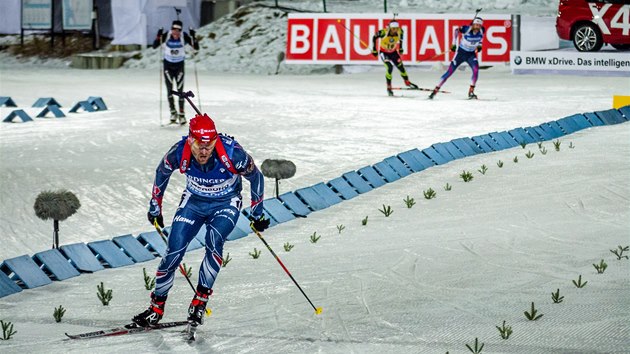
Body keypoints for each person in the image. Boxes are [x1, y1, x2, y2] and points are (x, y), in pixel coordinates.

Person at [133, 113, 270, 328]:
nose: (204, 151)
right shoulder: (179, 151)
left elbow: (257, 177)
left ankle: (199, 302)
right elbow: (162, 173)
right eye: (199, 146)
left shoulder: (233, 153)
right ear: (190, 140)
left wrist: (257, 213)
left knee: (214, 240)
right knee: (173, 251)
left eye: (209, 145)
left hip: (226, 203)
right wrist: (155, 206)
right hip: (194, 202)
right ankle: (156, 309)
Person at [153, 20, 200, 125]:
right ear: (171, 29)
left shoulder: (184, 36)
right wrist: (158, 35)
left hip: (179, 66)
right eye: (174, 29)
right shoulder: (166, 36)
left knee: (180, 91)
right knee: (170, 90)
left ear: (181, 30)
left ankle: (182, 114)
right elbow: (155, 45)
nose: (176, 32)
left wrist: (193, 36)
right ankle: (173, 113)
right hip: (168, 66)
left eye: (178, 30)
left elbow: (196, 47)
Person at [429, 17, 485, 100]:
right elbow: (456, 30)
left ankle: (471, 91)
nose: (477, 27)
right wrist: (453, 44)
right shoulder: (466, 29)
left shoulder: (482, 30)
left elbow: (481, 37)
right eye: (476, 25)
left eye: (479, 25)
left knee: (476, 70)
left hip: (471, 55)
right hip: (460, 54)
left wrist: (480, 45)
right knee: (449, 72)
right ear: (473, 25)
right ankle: (435, 90)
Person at [371, 20, 418, 96]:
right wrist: (374, 49)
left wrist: (401, 48)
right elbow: (374, 37)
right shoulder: (383, 32)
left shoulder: (400, 31)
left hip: (393, 52)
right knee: (389, 67)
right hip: (384, 53)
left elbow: (401, 39)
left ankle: (407, 82)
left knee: (401, 67)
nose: (395, 30)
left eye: (396, 28)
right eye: (393, 29)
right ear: (390, 28)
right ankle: (389, 87)